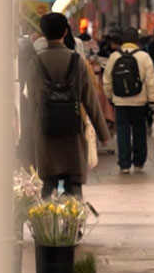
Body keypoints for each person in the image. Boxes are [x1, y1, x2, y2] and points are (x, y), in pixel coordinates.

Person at [26, 11, 110, 199]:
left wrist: (33, 132)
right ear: (65, 32)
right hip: (73, 130)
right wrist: (103, 133)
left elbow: (31, 102)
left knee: (48, 187)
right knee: (74, 187)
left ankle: (46, 217)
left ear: (43, 33)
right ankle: (76, 217)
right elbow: (90, 99)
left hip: (46, 131)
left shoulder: (35, 63)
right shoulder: (77, 61)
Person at [103, 27, 154, 173]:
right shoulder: (144, 57)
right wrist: (152, 99)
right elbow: (151, 80)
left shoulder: (114, 56)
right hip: (140, 101)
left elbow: (107, 80)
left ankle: (124, 164)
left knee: (122, 132)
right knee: (139, 131)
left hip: (120, 101)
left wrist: (109, 96)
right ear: (137, 41)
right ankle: (139, 162)